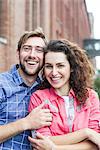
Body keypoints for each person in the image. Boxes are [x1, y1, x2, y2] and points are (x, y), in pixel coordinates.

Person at [28, 39, 100, 150]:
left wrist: (54, 148)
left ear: (71, 67)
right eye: (48, 66)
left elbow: (95, 144)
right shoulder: (39, 98)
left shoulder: (91, 97)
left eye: (60, 65)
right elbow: (41, 140)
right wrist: (86, 133)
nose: (54, 72)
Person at [0, 28, 52, 150]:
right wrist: (26, 122)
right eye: (27, 49)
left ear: (45, 57)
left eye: (39, 50)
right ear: (18, 53)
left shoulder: (46, 89)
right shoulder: (2, 84)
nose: (32, 55)